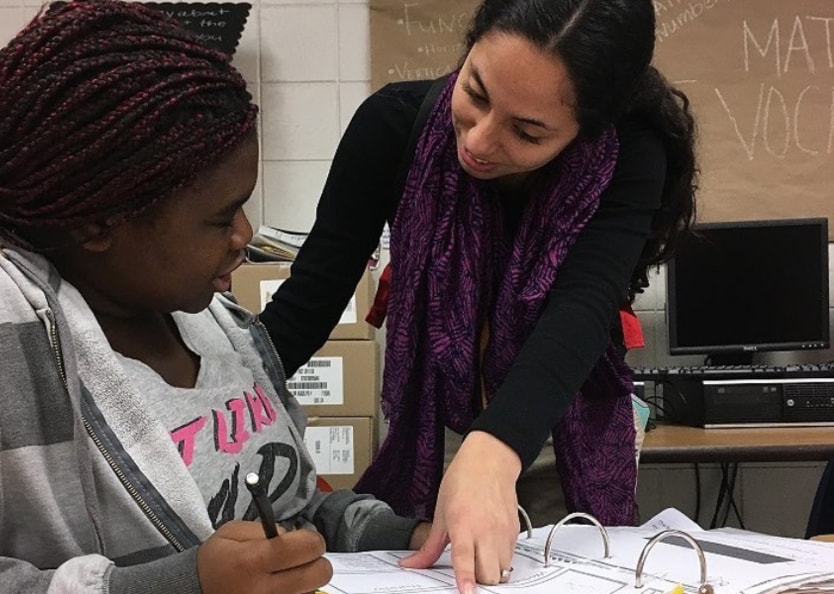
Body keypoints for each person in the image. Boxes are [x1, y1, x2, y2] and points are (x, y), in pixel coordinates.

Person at [0, 2, 429, 593]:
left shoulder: (217, 324)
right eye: (220, 218)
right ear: (100, 222)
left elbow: (287, 511)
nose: (245, 238)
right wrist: (179, 584)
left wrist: (394, 534)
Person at [259, 0, 698, 591]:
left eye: (527, 130)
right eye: (477, 92)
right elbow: (312, 297)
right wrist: (221, 392)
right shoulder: (392, 125)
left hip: (554, 428)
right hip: (429, 420)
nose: (481, 141)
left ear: (589, 128)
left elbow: (584, 306)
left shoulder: (626, 154)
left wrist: (494, 451)